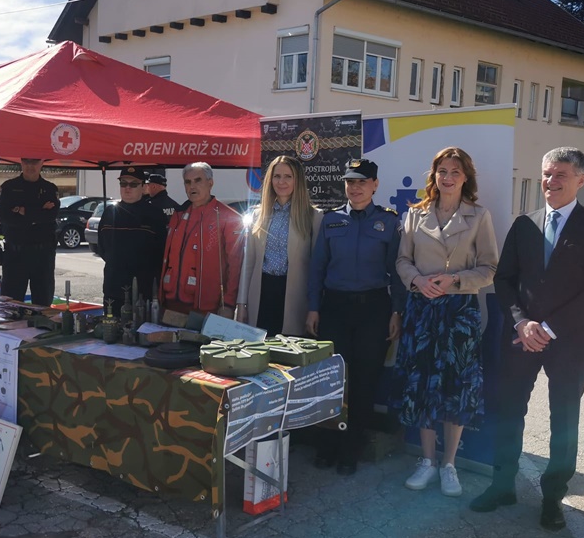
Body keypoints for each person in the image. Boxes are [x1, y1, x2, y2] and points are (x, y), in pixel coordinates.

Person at [470, 147, 584, 530]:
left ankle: (553, 497)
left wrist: (548, 328)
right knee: (508, 411)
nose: (551, 182)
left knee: (563, 420)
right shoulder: (525, 224)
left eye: (560, 175)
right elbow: (504, 280)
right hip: (521, 339)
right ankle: (503, 485)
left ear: (581, 180)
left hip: (570, 342)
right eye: (547, 174)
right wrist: (521, 323)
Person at [395, 147, 499, 497]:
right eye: (442, 170)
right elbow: (402, 260)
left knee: (456, 387)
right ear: (434, 175)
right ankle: (426, 461)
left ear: (466, 177)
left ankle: (449, 464)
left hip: (459, 311)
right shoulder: (415, 214)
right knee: (423, 384)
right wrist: (417, 281)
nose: (448, 177)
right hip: (422, 308)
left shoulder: (479, 216)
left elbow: (489, 268)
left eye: (455, 171)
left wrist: (455, 280)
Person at [306, 158, 406, 476]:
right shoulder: (331, 220)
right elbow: (317, 267)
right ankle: (328, 444)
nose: (355, 187)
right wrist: (313, 306)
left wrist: (396, 311)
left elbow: (397, 272)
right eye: (350, 181)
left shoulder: (389, 222)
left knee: (364, 380)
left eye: (362, 181)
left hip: (373, 309)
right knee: (332, 379)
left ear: (375, 185)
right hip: (335, 307)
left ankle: (352, 447)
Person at [236, 155, 323, 336]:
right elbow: (248, 263)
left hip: (295, 297)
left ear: (297, 180)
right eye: (277, 176)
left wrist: (314, 307)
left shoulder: (313, 217)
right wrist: (241, 303)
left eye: (288, 176)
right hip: (261, 293)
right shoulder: (256, 215)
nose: (281, 182)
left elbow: (318, 267)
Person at [160, 162, 245, 317]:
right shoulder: (177, 216)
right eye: (188, 182)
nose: (192, 186)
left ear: (210, 183)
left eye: (198, 180)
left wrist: (228, 304)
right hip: (171, 305)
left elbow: (235, 266)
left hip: (207, 309)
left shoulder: (228, 217)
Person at [97, 166, 168, 315]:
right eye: (123, 183)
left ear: (143, 187)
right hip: (113, 288)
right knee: (111, 326)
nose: (127, 188)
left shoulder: (155, 214)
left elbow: (162, 252)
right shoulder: (109, 212)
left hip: (143, 291)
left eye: (133, 184)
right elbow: (102, 247)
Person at [0, 158, 60, 305]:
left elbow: (50, 216)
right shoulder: (9, 187)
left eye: (34, 162)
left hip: (42, 255)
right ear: (21, 162)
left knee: (43, 305)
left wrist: (22, 211)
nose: (30, 166)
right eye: (26, 162)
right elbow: (6, 218)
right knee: (11, 305)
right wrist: (38, 212)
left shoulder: (50, 189)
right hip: (15, 254)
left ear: (42, 163)